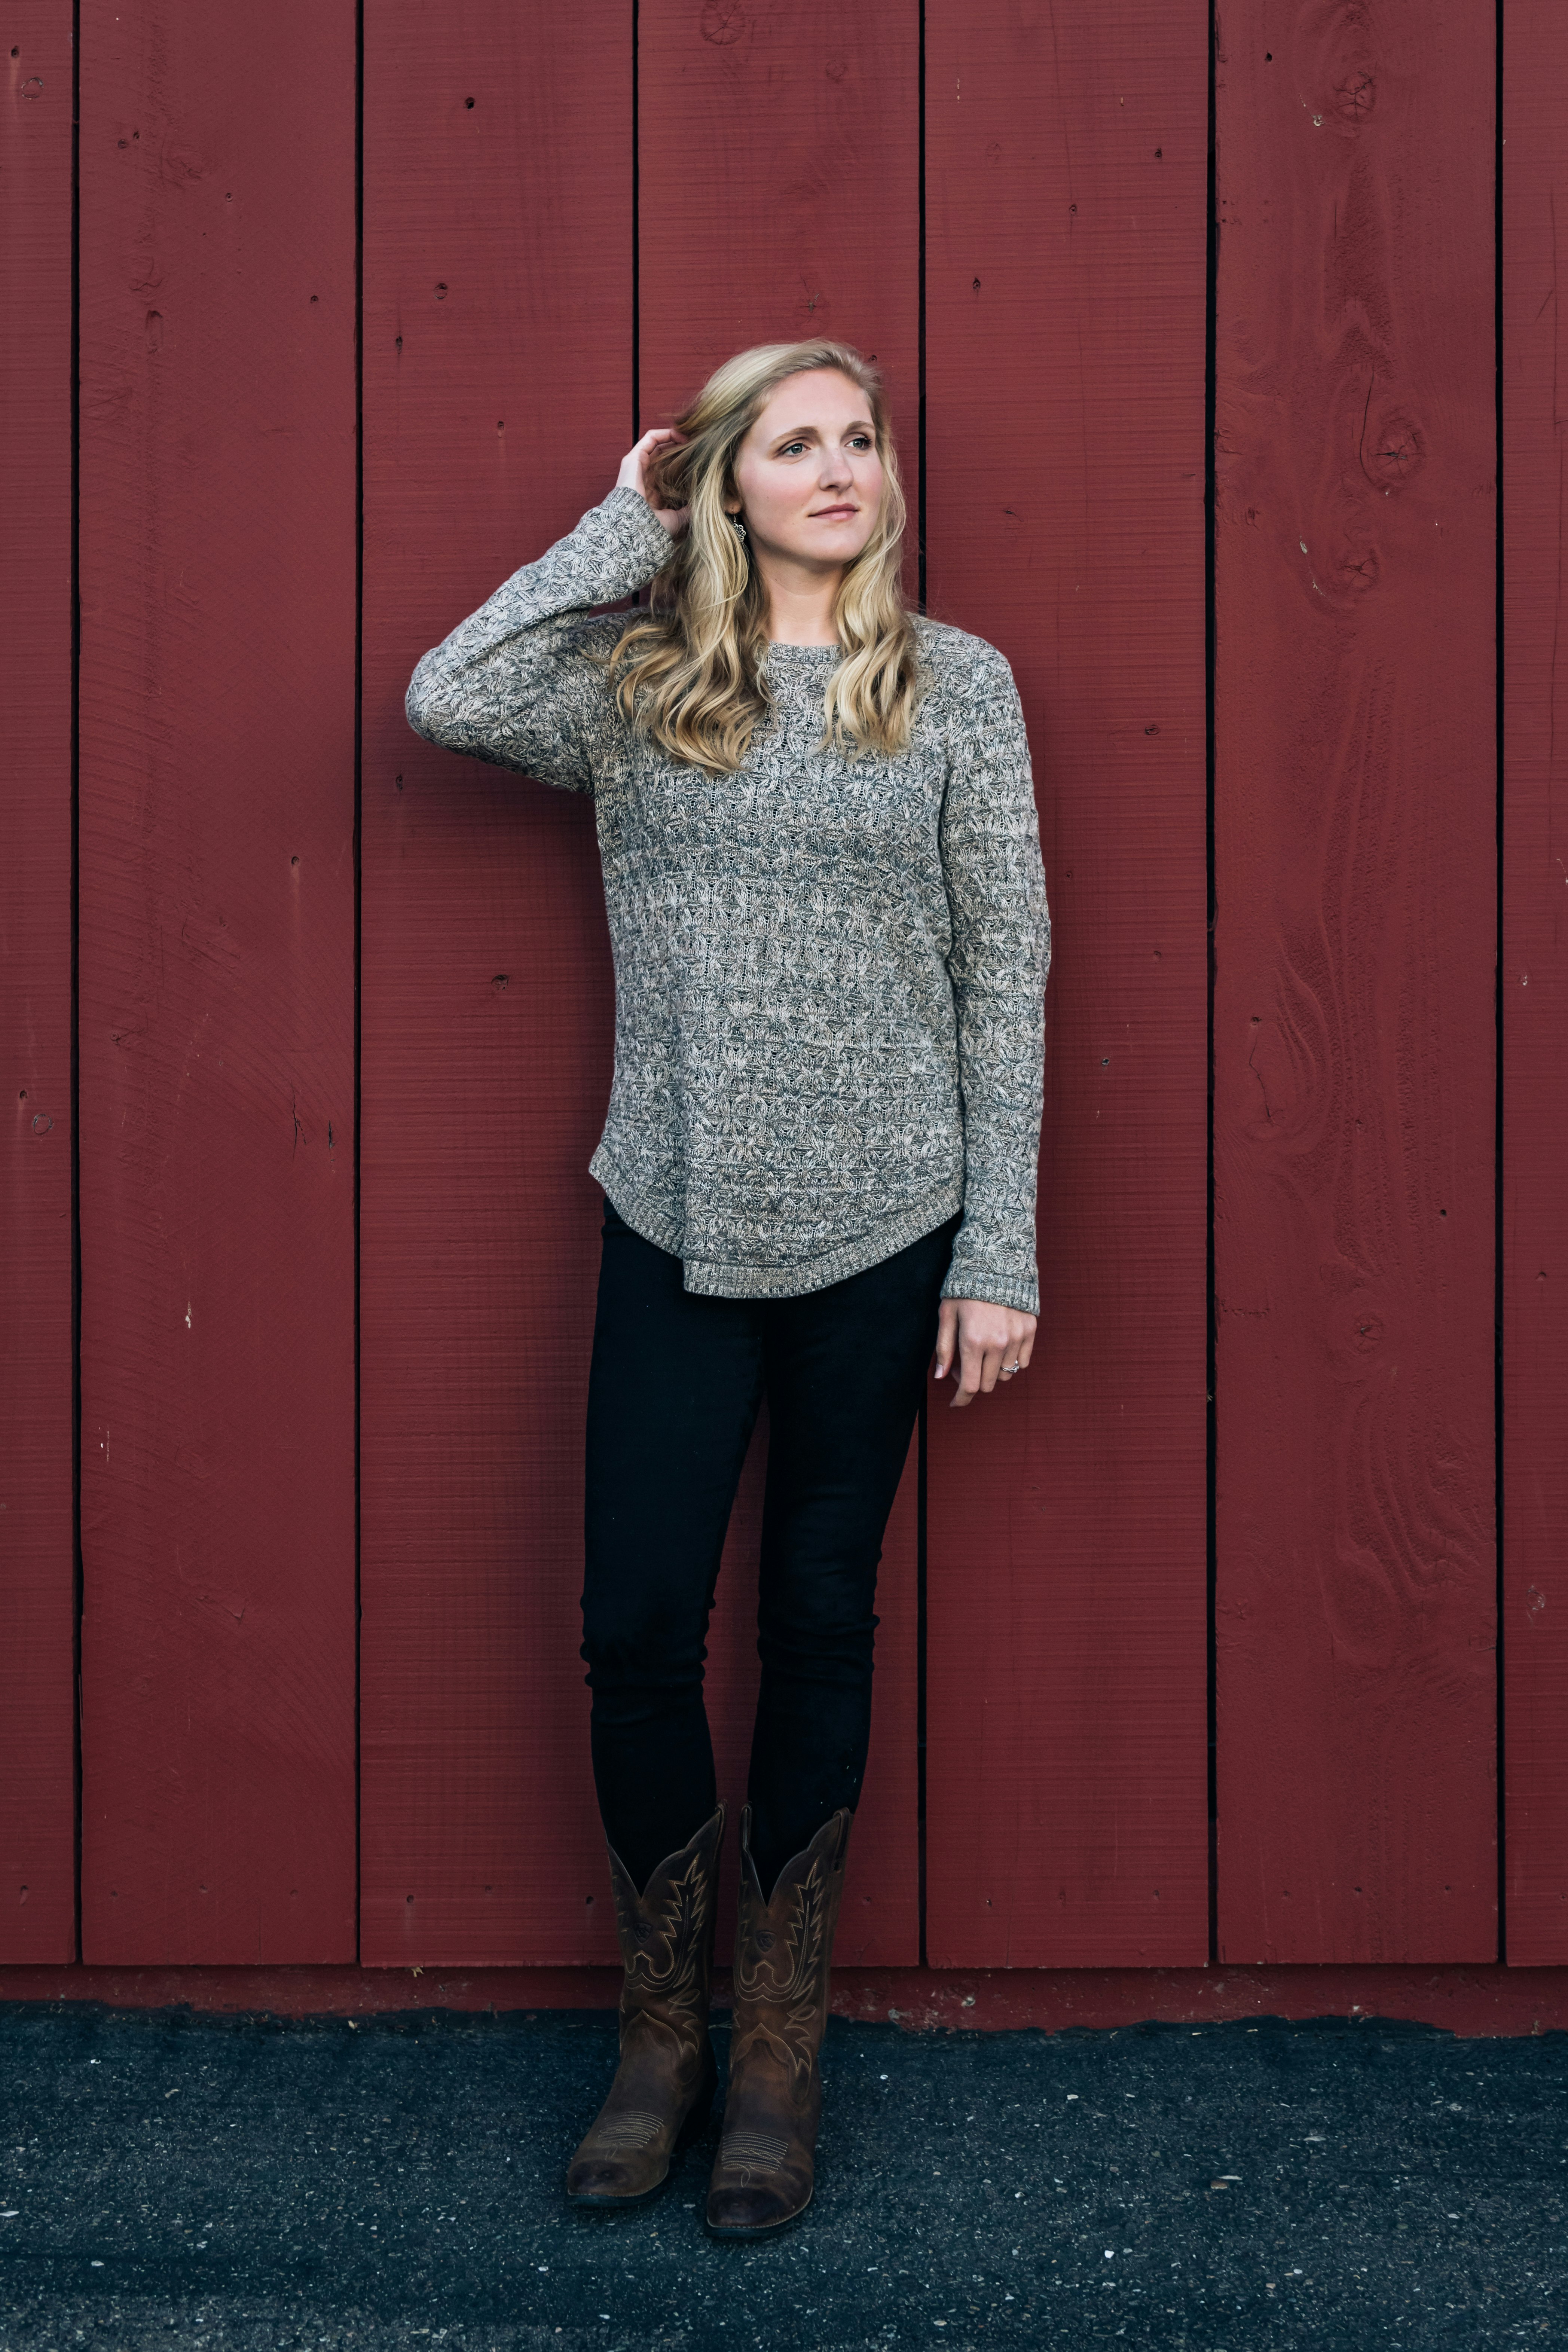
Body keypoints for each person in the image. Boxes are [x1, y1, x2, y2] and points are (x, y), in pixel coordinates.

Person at [404, 338, 1051, 2239]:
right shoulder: (638, 686)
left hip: (890, 1220)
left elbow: (1002, 974)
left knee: (820, 1618)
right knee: (636, 1627)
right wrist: (619, 518)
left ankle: (776, 2049)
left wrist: (997, 1244)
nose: (838, 470)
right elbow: (446, 695)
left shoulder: (956, 690)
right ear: (726, 482)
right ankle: (660, 2039)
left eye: (859, 441)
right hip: (675, 1208)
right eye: (792, 444)